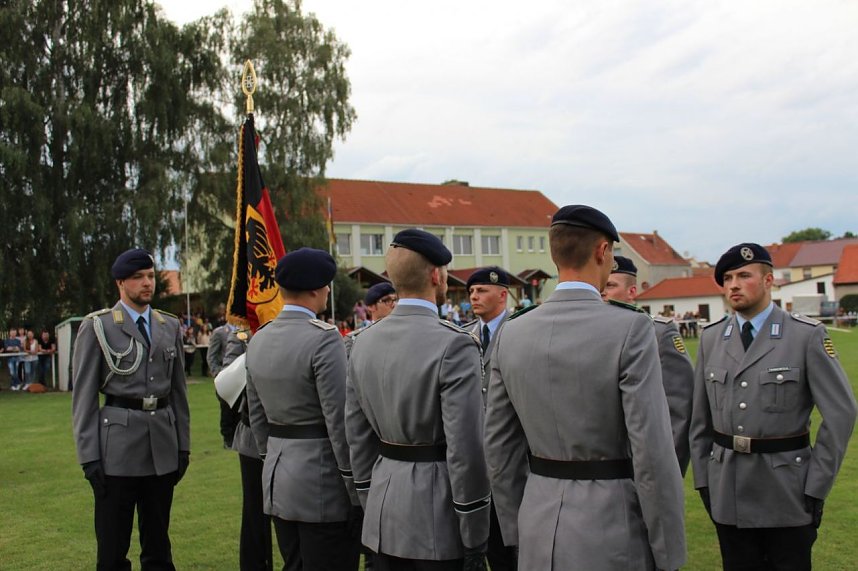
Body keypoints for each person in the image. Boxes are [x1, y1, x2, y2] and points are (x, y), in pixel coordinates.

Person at [484, 205, 686, 570]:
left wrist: (518, 529)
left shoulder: (511, 331)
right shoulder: (631, 329)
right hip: (611, 524)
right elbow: (652, 451)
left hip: (537, 520)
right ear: (602, 251)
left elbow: (499, 447)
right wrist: (668, 551)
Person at [689, 243, 857, 571]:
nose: (733, 284)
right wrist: (704, 480)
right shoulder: (711, 339)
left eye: (743, 275)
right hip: (728, 489)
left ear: (769, 281)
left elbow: (841, 412)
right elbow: (700, 419)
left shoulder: (804, 336)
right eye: (727, 278)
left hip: (787, 489)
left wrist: (817, 484)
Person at [346, 229, 490, 571]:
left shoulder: (361, 342)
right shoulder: (454, 344)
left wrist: (370, 500)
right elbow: (465, 449)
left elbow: (356, 435)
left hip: (383, 507)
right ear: (436, 276)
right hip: (437, 519)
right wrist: (475, 533)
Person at [71, 248, 190, 570]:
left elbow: (178, 393)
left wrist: (183, 446)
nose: (147, 283)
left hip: (161, 446)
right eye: (138, 278)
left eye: (150, 276)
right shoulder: (99, 327)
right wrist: (89, 456)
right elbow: (83, 397)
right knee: (112, 548)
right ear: (120, 283)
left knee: (158, 546)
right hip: (117, 451)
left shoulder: (169, 325)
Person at [245, 247, 360, 570]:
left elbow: (258, 418)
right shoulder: (324, 339)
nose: (327, 291)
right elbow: (339, 422)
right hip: (321, 481)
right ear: (315, 289)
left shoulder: (260, 338)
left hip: (280, 477)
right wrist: (355, 490)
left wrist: (274, 463)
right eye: (326, 285)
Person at [601, 255, 695, 475]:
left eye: (610, 285)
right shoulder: (591, 334)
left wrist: (667, 473)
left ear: (632, 292)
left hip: (644, 466)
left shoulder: (658, 333)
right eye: (600, 286)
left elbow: (680, 410)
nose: (602, 292)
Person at [464, 266, 516, 571]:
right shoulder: (463, 335)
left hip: (511, 454)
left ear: (502, 293)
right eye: (472, 291)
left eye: (481, 290)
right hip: (474, 455)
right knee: (489, 543)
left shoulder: (519, 329)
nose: (474, 297)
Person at [225, 327, 275, 571]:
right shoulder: (244, 335)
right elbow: (226, 379)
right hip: (253, 436)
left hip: (288, 434)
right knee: (255, 513)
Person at [208, 322, 241, 449]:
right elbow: (212, 356)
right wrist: (218, 374)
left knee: (239, 410)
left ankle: (237, 438)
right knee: (226, 410)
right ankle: (227, 439)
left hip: (239, 377)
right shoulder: (220, 332)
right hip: (225, 377)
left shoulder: (245, 330)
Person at [343, 282, 397, 358]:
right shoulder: (354, 340)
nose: (394, 304)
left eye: (395, 300)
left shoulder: (404, 333)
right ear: (371, 307)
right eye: (387, 300)